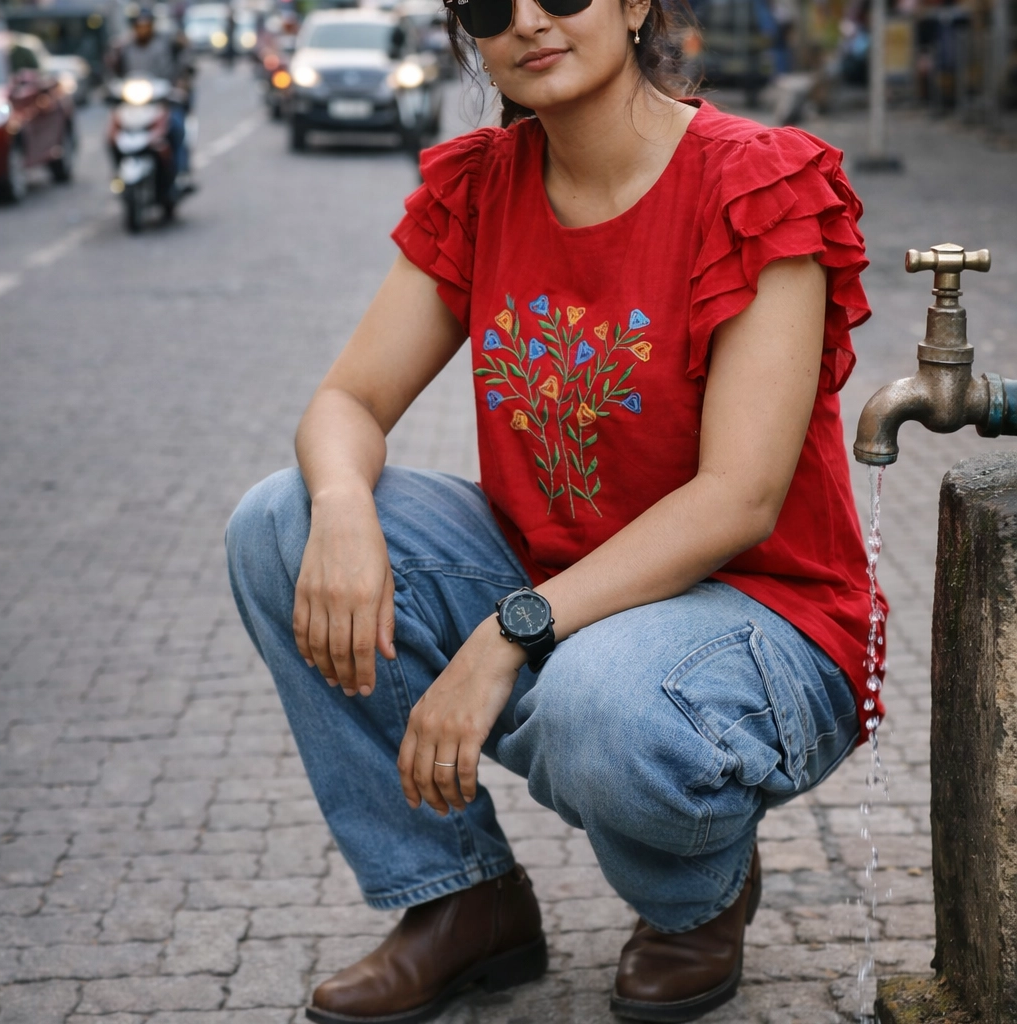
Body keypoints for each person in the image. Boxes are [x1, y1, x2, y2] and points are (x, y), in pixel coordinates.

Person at [225, 0, 887, 1020]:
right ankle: (459, 899)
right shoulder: (482, 188)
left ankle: (694, 895)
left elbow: (740, 497)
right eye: (490, 5)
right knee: (280, 524)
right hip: (568, 600)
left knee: (595, 697)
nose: (528, 21)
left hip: (767, 620)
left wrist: (503, 638)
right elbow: (347, 401)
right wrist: (345, 502)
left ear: (631, 6)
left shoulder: (755, 184)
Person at [109, 7, 194, 194]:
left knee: (177, 128)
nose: (142, 29)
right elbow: (113, 72)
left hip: (163, 101)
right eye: (139, 26)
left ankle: (181, 174)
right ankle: (118, 174)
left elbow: (185, 61)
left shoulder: (167, 42)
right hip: (134, 105)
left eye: (146, 25)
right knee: (112, 135)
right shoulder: (124, 47)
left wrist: (181, 83)